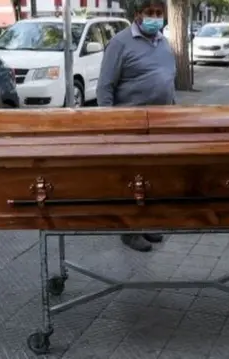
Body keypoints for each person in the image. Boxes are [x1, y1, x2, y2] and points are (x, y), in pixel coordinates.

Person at [96, 0, 176, 252]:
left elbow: (167, 80)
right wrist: (110, 125)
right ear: (137, 15)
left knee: (152, 178)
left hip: (160, 126)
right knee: (131, 180)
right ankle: (129, 231)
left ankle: (146, 224)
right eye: (149, 13)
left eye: (158, 13)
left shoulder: (163, 42)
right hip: (130, 127)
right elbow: (104, 87)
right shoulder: (120, 43)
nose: (155, 17)